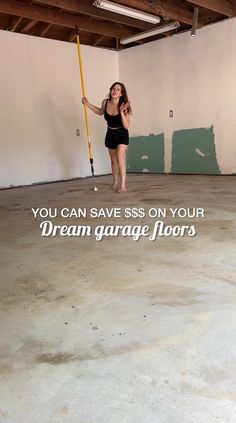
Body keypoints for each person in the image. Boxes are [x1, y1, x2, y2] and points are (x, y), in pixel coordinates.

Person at [82, 82, 131, 193]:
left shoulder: (124, 106)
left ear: (121, 93)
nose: (114, 91)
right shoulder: (106, 102)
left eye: (117, 89)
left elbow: (126, 125)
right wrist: (87, 104)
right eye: (113, 89)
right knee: (113, 161)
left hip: (122, 133)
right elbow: (100, 112)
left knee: (120, 157)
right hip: (110, 133)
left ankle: (123, 185)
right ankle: (115, 181)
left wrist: (122, 112)